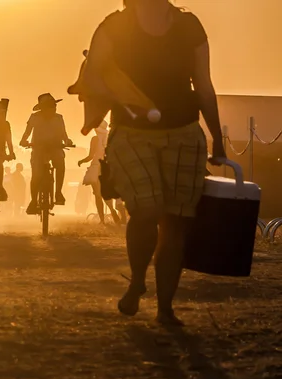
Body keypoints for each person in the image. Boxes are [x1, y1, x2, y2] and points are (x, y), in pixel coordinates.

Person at [80, 0, 226, 325]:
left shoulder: (189, 26)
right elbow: (93, 76)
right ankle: (137, 281)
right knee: (146, 210)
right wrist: (121, 97)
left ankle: (165, 309)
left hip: (185, 133)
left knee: (176, 222)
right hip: (132, 133)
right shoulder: (113, 26)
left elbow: (203, 84)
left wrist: (217, 137)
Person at [20, 93, 73, 215]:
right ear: (42, 108)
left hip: (55, 148)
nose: (53, 108)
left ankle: (58, 192)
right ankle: (33, 201)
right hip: (38, 148)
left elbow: (64, 134)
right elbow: (27, 132)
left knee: (60, 163)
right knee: (36, 175)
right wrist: (23, 141)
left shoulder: (59, 118)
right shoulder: (34, 117)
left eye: (54, 106)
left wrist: (67, 141)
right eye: (50, 106)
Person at [78, 120, 121, 224]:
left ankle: (102, 220)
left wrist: (81, 161)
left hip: (96, 167)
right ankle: (112, 210)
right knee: (105, 192)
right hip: (106, 167)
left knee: (98, 195)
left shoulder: (95, 139)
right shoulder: (109, 139)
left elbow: (91, 156)